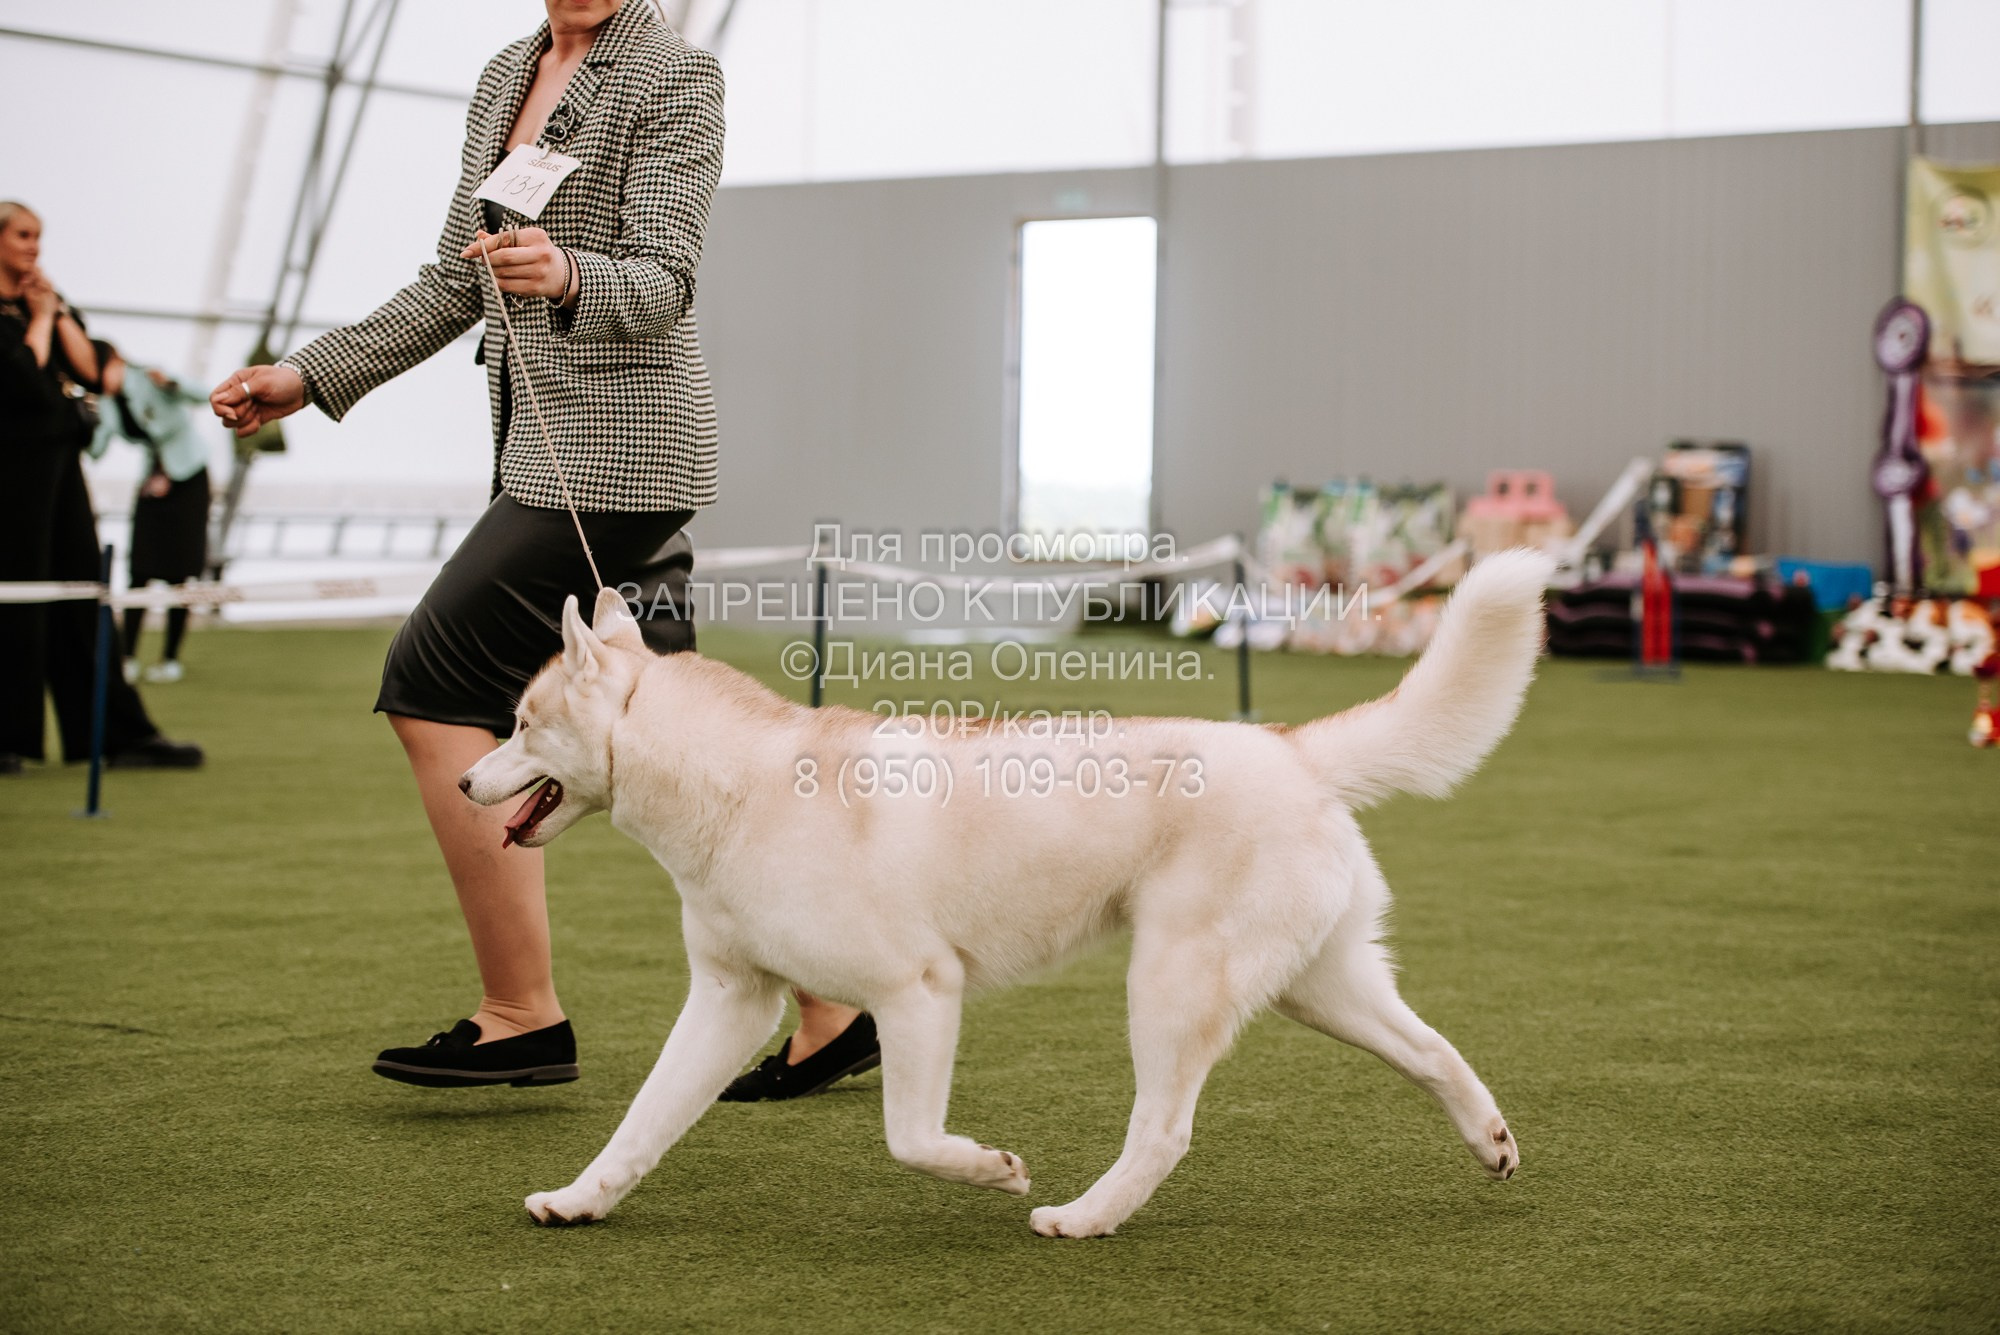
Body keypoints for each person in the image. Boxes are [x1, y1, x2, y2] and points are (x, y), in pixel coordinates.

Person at [209, 0, 880, 1094]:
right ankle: (833, 1003)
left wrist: (567, 272)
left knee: (429, 680)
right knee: (688, 746)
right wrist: (309, 376)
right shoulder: (504, 73)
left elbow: (663, 282)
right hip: (543, 457)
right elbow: (451, 281)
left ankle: (520, 1014)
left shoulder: (677, 77)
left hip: (619, 468)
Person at [0, 201, 203, 775]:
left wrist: (53, 308)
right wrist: (37, 320)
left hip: (58, 472)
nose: (32, 247)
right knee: (14, 605)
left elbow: (90, 370)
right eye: (21, 235)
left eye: (38, 236)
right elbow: (19, 377)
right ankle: (8, 738)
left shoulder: (42, 301)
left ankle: (114, 734)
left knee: (83, 597)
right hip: (10, 478)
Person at [87, 342, 211, 684]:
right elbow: (95, 447)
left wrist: (172, 383)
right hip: (152, 484)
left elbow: (205, 396)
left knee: (180, 573)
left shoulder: (151, 378)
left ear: (115, 362)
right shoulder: (107, 403)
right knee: (139, 570)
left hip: (188, 478)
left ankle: (170, 658)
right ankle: (127, 656)